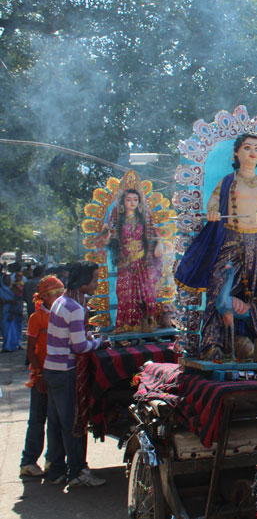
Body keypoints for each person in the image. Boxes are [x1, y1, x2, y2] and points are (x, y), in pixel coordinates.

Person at [175, 133, 257, 360]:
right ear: (236, 152)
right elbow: (213, 202)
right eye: (247, 147)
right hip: (231, 242)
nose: (252, 152)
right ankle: (211, 345)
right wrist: (213, 211)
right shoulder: (228, 182)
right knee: (217, 290)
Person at [43, 260, 107, 487]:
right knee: (73, 423)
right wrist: (100, 342)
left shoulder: (61, 301)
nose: (97, 284)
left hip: (51, 369)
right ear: (83, 284)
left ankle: (56, 470)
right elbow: (79, 347)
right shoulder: (75, 308)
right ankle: (78, 471)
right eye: (95, 280)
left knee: (56, 423)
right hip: (65, 371)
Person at [97, 176, 161, 333]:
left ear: (139, 202)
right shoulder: (117, 222)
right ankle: (126, 325)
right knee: (124, 294)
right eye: (129, 200)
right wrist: (105, 232)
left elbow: (156, 234)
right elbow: (105, 241)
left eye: (135, 199)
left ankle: (145, 324)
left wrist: (159, 244)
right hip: (125, 263)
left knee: (145, 294)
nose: (132, 202)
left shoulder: (145, 220)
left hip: (142, 263)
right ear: (123, 203)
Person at [19, 276, 65, 478]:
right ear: (44, 296)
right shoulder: (36, 318)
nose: (57, 296)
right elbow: (30, 349)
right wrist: (38, 375)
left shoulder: (63, 313)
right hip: (42, 373)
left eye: (60, 291)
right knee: (38, 420)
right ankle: (28, 461)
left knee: (56, 420)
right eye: (53, 293)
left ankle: (52, 461)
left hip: (58, 372)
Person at [0, 273, 23, 352]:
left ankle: (16, 344)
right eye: (6, 279)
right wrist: (8, 301)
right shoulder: (1, 290)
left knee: (16, 328)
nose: (8, 281)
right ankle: (6, 346)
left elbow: (19, 299)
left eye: (9, 279)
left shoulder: (14, 288)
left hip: (15, 311)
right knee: (6, 329)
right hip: (5, 311)